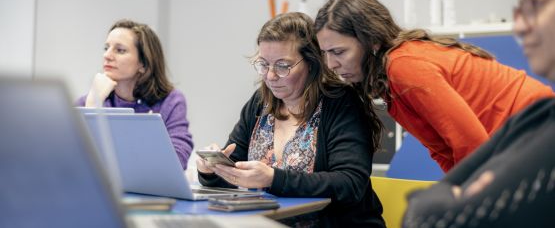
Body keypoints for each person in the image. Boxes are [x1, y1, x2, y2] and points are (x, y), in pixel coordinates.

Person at [402, 0, 555, 227]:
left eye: (535, 5)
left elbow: (428, 218)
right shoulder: (536, 118)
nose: (520, 26)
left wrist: (455, 197)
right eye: (519, 10)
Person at [314, 0, 554, 172]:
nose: (331, 64)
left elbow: (471, 145)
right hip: (520, 135)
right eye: (325, 53)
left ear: (372, 41)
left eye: (338, 52)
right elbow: (443, 150)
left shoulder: (403, 66)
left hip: (536, 126)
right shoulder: (389, 80)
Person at [196, 12, 385, 227]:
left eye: (283, 66)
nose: (270, 76)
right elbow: (236, 173)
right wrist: (211, 170)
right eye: (263, 64)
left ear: (312, 63)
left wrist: (274, 179)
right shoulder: (260, 103)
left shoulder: (340, 102)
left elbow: (350, 183)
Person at [76, 19, 193, 169]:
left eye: (120, 50)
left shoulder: (170, 102)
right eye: (106, 48)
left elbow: (177, 159)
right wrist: (92, 106)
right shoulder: (89, 102)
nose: (107, 55)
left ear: (143, 64)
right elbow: (71, 159)